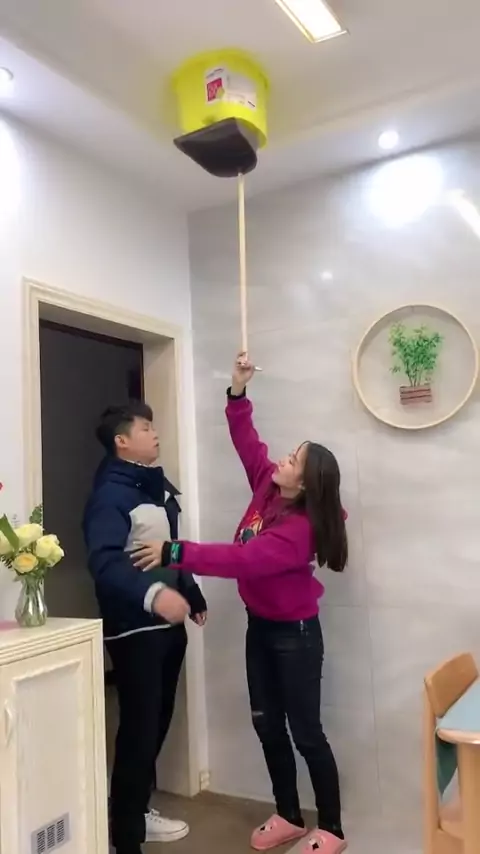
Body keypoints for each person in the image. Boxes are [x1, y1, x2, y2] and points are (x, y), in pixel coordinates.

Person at [130, 355, 349, 854]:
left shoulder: (299, 530)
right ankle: (289, 815)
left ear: (304, 484)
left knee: (306, 732)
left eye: (292, 461)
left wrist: (175, 552)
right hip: (261, 627)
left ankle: (332, 828)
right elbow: (247, 441)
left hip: (295, 635)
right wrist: (236, 390)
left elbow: (242, 560)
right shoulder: (268, 487)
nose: (281, 461)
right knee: (266, 723)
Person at [83, 401, 207, 854]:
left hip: (168, 628)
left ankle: (133, 811)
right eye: (146, 428)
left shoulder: (152, 488)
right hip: (135, 630)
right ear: (122, 441)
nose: (155, 434)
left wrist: (191, 593)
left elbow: (167, 548)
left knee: (156, 725)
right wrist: (155, 595)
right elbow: (104, 564)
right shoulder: (109, 495)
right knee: (138, 731)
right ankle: (126, 836)